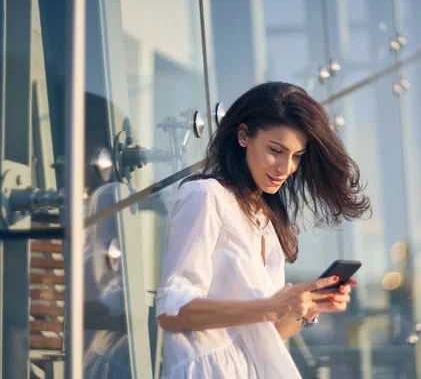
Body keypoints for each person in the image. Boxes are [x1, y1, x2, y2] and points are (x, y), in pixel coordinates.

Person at [155, 82, 371, 378]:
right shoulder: (206, 196)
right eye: (276, 150)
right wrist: (269, 306)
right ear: (243, 136)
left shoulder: (265, 221)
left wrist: (306, 310)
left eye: (296, 156)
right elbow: (171, 311)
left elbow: (264, 335)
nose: (286, 167)